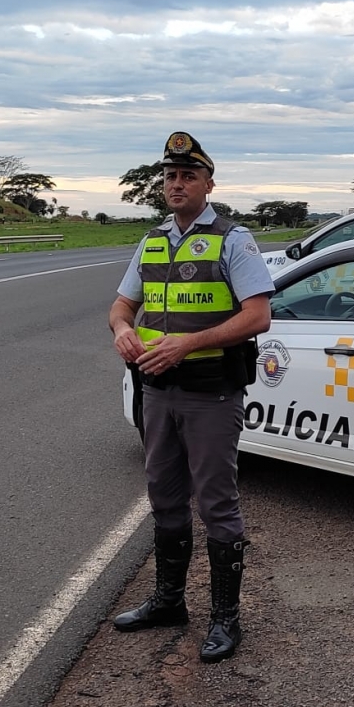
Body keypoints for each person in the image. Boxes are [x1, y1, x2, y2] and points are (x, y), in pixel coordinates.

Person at [108, 131, 273, 663]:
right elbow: (121, 306)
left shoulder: (233, 239)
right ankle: (168, 601)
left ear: (208, 184)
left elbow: (258, 315)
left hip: (210, 393)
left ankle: (226, 618)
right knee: (163, 495)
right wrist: (120, 332)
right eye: (170, 176)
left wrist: (190, 344)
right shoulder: (152, 240)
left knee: (217, 504)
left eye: (188, 176)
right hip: (157, 392)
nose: (176, 184)